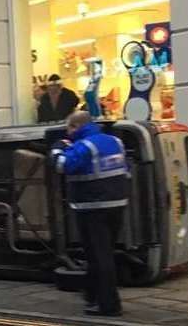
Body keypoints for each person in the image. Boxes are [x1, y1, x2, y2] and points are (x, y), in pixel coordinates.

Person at [51, 111, 128, 317]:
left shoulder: (85, 146)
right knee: (103, 255)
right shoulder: (115, 141)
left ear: (76, 127)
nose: (67, 132)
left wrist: (57, 150)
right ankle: (93, 297)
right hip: (117, 205)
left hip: (93, 208)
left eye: (69, 128)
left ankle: (109, 305)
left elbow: (63, 165)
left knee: (98, 257)